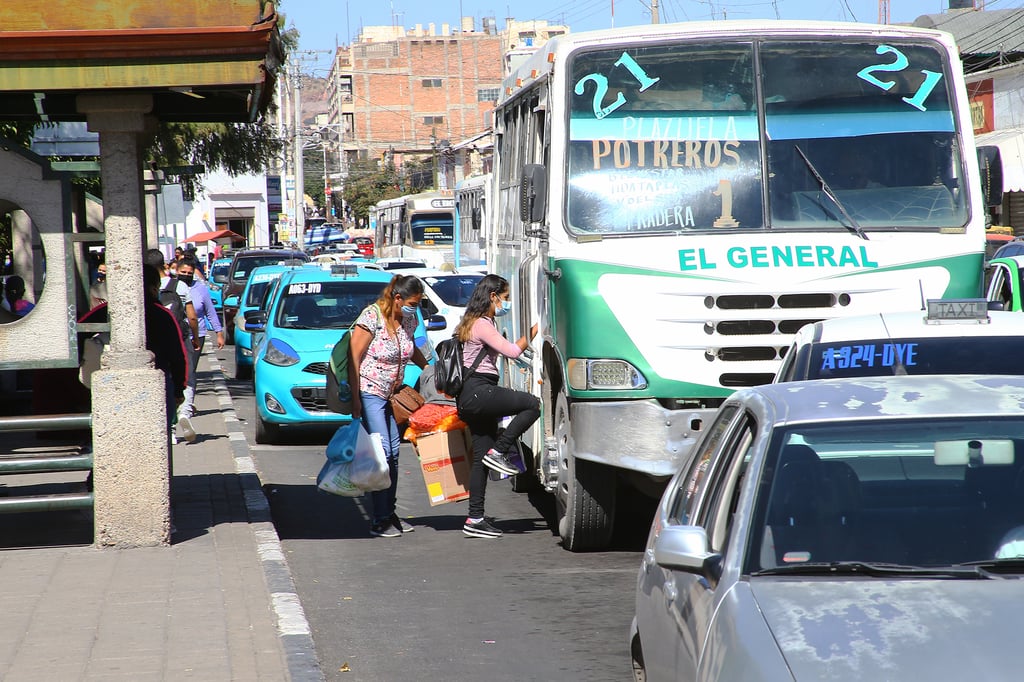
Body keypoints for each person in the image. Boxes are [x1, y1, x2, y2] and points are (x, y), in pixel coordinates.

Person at [454, 274, 539, 539]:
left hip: (470, 396)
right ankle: (499, 451)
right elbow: (512, 351)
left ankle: (475, 518)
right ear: (493, 297)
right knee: (532, 405)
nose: (507, 303)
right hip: (479, 392)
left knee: (480, 460)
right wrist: (537, 329)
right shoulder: (481, 324)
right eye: (505, 298)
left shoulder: (471, 321)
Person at [349, 275, 429, 538]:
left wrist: (430, 369)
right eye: (412, 303)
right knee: (382, 452)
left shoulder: (409, 319)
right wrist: (356, 398)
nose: (414, 308)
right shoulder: (371, 317)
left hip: (393, 395)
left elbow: (412, 349)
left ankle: (388, 512)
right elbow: (354, 358)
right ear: (397, 298)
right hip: (370, 391)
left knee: (394, 453)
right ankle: (378, 519)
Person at [145, 248, 200, 441]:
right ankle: (178, 419)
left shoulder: (121, 313)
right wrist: (178, 390)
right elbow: (178, 357)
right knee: (188, 379)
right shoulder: (165, 313)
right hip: (163, 367)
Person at [175, 255, 225, 442]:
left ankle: (185, 407)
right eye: (183, 272)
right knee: (183, 373)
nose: (186, 276)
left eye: (189, 273)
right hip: (177, 334)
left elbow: (210, 312)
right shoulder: (172, 287)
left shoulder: (200, 289)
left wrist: (218, 332)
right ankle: (183, 408)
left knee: (190, 371)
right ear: (176, 271)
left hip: (198, 335)